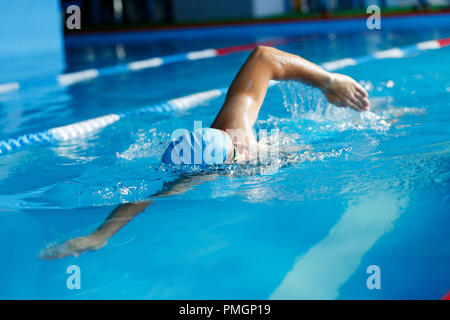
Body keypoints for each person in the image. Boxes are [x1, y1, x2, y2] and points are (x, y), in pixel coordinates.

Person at [40, 46, 370, 260]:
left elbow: (263, 57)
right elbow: (153, 193)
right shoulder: (226, 138)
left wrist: (329, 81)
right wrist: (98, 235)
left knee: (301, 151)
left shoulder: (233, 132)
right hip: (257, 156)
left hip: (280, 149)